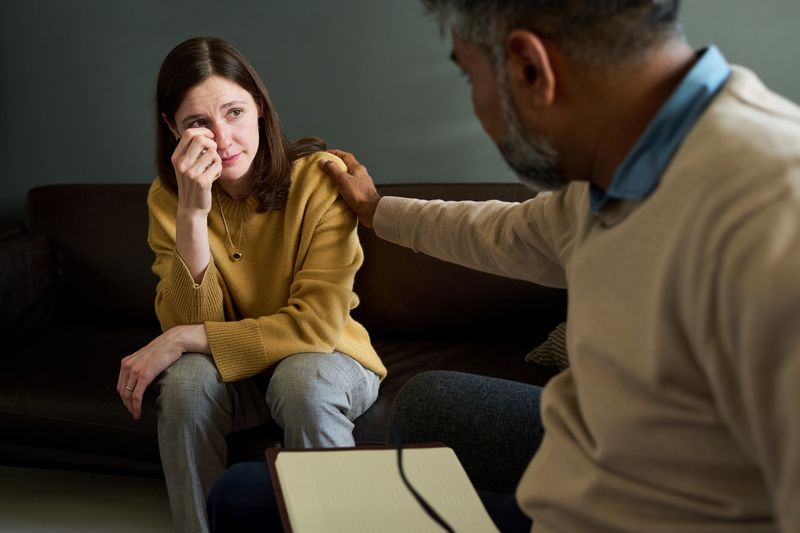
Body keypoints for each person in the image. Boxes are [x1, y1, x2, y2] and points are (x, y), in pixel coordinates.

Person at [208, 0, 800, 531]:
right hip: (598, 461)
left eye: (469, 74)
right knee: (402, 414)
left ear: (529, 68)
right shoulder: (616, 173)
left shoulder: (770, 218)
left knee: (246, 503)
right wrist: (376, 210)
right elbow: (505, 231)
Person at [115, 36, 385, 533]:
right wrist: (193, 214)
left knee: (302, 378)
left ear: (259, 107)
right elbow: (192, 330)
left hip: (331, 361)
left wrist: (179, 338)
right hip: (238, 377)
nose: (222, 139)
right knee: (186, 384)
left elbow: (317, 326)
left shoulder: (320, 180)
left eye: (234, 113)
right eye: (198, 123)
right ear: (173, 129)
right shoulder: (166, 198)